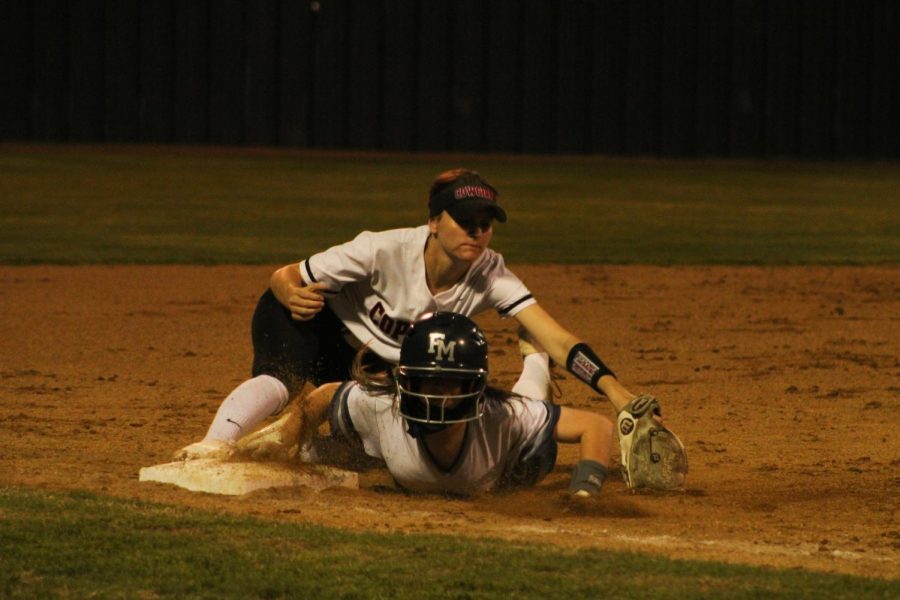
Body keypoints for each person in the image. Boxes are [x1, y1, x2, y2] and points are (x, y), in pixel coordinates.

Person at [176, 169, 637, 459]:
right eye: (465, 221)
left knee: (374, 436)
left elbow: (555, 338)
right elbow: (287, 274)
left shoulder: (490, 272)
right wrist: (288, 292)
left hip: (371, 360)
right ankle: (214, 444)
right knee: (285, 380)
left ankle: (299, 446)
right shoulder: (382, 249)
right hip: (313, 323)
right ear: (434, 222)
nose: (477, 232)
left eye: (485, 223)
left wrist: (617, 394)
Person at [239, 312, 615, 498]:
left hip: (511, 466)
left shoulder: (506, 418)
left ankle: (536, 358)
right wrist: (284, 436)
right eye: (428, 381)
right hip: (406, 462)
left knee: (529, 397)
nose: (438, 395)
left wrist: (585, 492)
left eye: (451, 385)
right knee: (332, 454)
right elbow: (324, 394)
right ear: (404, 380)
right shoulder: (382, 406)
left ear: (475, 388)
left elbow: (595, 426)